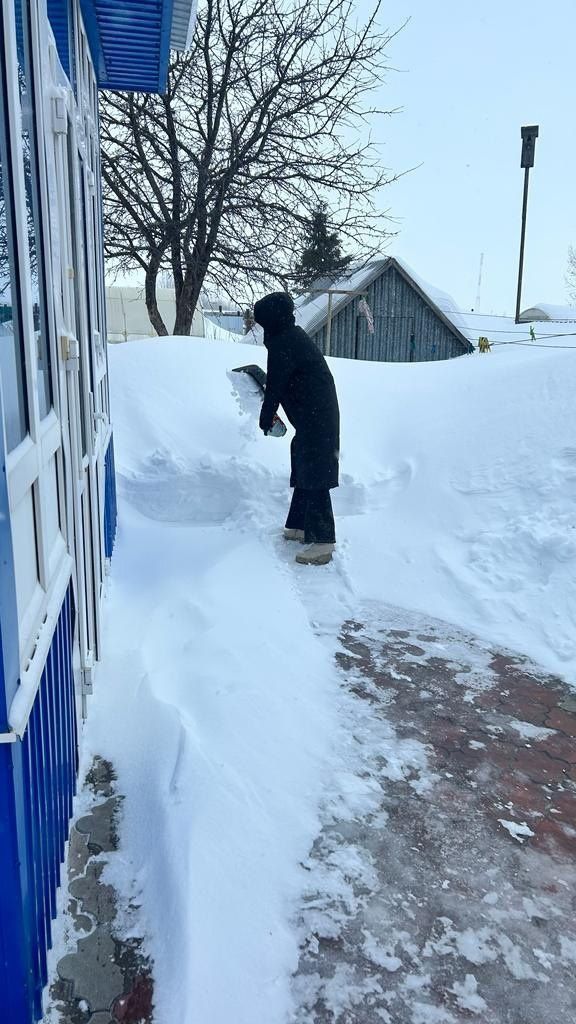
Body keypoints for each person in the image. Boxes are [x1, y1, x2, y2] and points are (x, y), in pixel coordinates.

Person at [253, 291, 340, 566]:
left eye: (263, 323)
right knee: (304, 464)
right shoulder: (289, 338)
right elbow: (283, 378)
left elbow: (277, 384)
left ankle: (324, 541)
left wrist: (266, 417)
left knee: (315, 472)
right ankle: (301, 525)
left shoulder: (284, 343)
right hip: (314, 418)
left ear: (271, 321)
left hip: (317, 419)